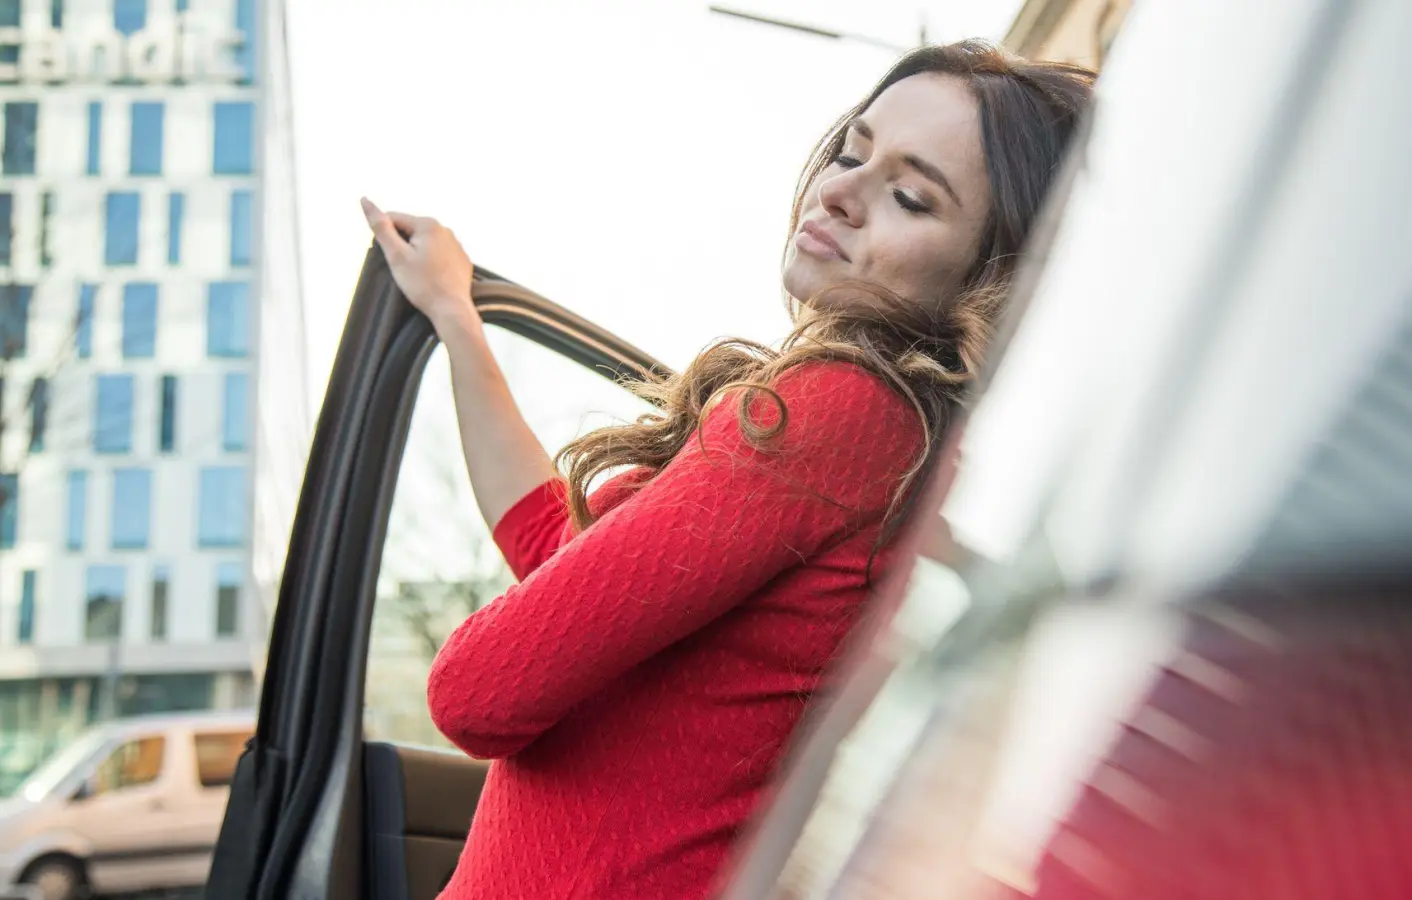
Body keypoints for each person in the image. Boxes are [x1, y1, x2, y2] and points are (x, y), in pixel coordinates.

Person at [359, 39, 1093, 900]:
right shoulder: (906, 446)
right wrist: (458, 320)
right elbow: (559, 547)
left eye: (909, 195)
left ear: (990, 274)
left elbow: (477, 691)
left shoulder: (844, 410)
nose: (842, 191)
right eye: (852, 152)